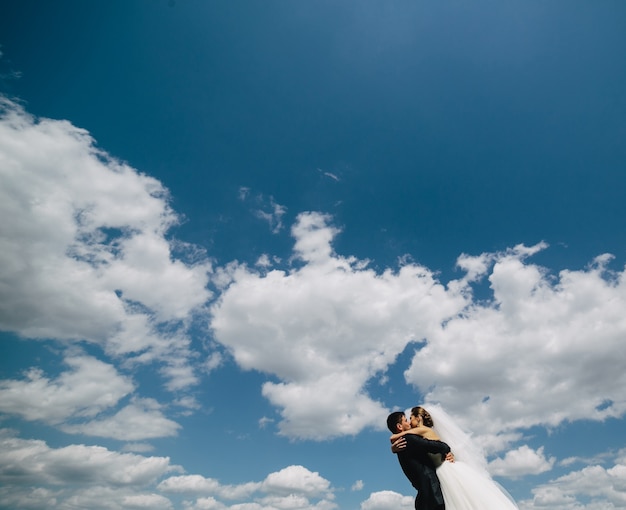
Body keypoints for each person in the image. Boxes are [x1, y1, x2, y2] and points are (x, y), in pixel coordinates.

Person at [391, 405, 519, 510]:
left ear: (419, 418)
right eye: (406, 419)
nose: (409, 421)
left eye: (411, 418)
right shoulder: (416, 436)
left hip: (444, 470)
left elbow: (436, 445)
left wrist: (392, 440)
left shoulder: (420, 431)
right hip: (441, 471)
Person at [387, 411, 453, 510]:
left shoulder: (400, 444)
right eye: (406, 420)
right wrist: (446, 449)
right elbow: (436, 446)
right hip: (432, 495)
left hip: (424, 497)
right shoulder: (408, 439)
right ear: (399, 426)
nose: (409, 423)